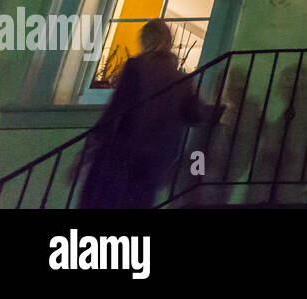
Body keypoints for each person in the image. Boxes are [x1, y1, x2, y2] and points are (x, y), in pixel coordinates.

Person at [78, 19, 222, 209]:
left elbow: (116, 110)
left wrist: (89, 149)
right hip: (155, 163)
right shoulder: (182, 80)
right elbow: (195, 114)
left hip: (123, 157)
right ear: (168, 42)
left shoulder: (136, 67)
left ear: (145, 40)